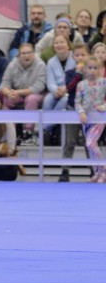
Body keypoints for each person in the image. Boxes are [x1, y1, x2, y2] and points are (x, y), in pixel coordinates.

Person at [0, 43, 46, 145]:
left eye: (29, 53)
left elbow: (39, 87)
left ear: (33, 54)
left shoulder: (41, 65)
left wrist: (18, 92)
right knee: (7, 99)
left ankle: (28, 132)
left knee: (31, 99)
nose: (26, 56)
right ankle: (7, 131)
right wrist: (9, 93)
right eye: (23, 53)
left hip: (37, 94)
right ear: (19, 56)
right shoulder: (12, 65)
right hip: (18, 94)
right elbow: (3, 85)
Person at [59, 43, 90, 182]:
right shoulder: (70, 73)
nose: (80, 58)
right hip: (73, 109)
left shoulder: (92, 72)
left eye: (83, 55)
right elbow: (69, 88)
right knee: (70, 141)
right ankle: (65, 170)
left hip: (89, 111)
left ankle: (93, 169)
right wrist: (78, 74)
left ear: (88, 56)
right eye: (77, 55)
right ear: (73, 56)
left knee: (89, 142)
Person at [75, 55, 106, 182]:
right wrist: (81, 112)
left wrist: (104, 107)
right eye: (90, 68)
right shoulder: (81, 85)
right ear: (85, 70)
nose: (92, 70)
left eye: (95, 68)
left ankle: (103, 170)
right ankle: (97, 172)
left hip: (99, 118)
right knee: (90, 147)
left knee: (90, 143)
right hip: (86, 119)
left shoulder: (104, 82)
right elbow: (77, 102)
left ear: (99, 69)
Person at [41, 34, 75, 145]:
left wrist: (65, 89)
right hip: (56, 91)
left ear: (68, 45)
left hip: (71, 90)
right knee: (47, 99)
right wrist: (56, 90)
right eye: (56, 43)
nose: (59, 45)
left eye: (62, 42)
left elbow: (76, 79)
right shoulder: (51, 61)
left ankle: (45, 128)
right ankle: (49, 130)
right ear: (53, 46)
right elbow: (50, 82)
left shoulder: (74, 58)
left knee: (65, 100)